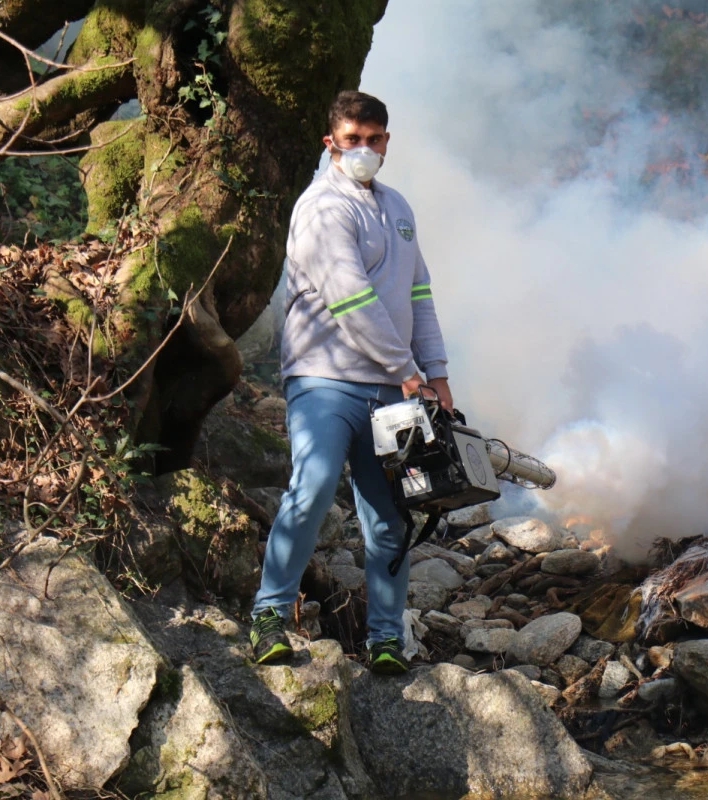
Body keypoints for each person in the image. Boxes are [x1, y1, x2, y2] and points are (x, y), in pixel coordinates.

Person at [248, 91, 453, 673]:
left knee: (390, 515)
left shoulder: (398, 208)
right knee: (313, 487)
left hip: (391, 390)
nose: (363, 148)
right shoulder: (321, 208)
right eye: (352, 139)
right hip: (325, 379)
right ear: (331, 143)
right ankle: (270, 614)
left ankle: (386, 638)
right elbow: (352, 301)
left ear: (387, 141)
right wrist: (409, 372)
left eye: (373, 139)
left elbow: (419, 295)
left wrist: (437, 374)